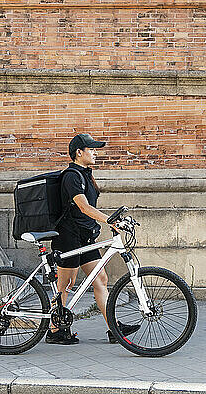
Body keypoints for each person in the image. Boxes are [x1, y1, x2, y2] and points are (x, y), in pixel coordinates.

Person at [46, 133, 140, 345]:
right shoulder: (71, 176)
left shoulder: (85, 175)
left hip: (84, 236)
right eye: (92, 149)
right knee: (65, 285)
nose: (95, 152)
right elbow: (83, 207)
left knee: (101, 279)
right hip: (68, 238)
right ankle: (54, 330)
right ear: (79, 153)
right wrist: (110, 221)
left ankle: (113, 329)